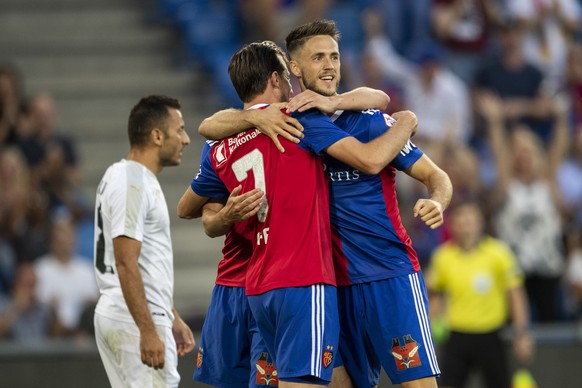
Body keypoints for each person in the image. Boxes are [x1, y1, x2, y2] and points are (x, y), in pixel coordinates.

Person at [201, 20, 452, 388]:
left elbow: (437, 177)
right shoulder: (291, 124)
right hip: (331, 285)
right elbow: (209, 126)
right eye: (318, 57)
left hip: (389, 274)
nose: (330, 65)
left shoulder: (370, 122)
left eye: (334, 56)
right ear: (294, 69)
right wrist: (252, 116)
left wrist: (438, 201)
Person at [92, 95, 195, 387]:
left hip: (131, 313)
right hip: (133, 317)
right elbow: (125, 262)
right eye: (180, 130)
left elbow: (142, 260)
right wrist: (148, 329)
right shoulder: (132, 182)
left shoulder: (127, 176)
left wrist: (171, 314)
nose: (186, 139)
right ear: (157, 136)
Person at [427, 201, 534, 388]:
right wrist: (429, 336)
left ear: (480, 223)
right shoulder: (443, 257)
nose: (466, 226)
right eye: (461, 222)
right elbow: (435, 296)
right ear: (453, 226)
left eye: (471, 220)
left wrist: (521, 333)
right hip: (456, 335)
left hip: (491, 334)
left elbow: (516, 295)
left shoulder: (499, 253)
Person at [34, 215, 98, 337]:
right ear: (52, 239)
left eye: (68, 235)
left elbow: (93, 303)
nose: (64, 241)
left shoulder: (87, 270)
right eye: (60, 236)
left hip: (83, 335)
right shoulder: (40, 269)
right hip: (51, 334)